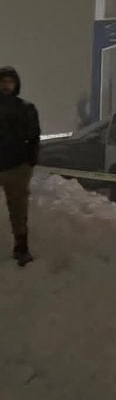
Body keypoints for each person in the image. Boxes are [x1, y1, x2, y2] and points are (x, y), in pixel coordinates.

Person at [0, 66, 39, 266]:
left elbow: (34, 137)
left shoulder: (25, 108)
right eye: (3, 81)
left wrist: (29, 163)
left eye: (9, 81)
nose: (6, 85)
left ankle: (21, 247)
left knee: (18, 209)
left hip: (16, 167)